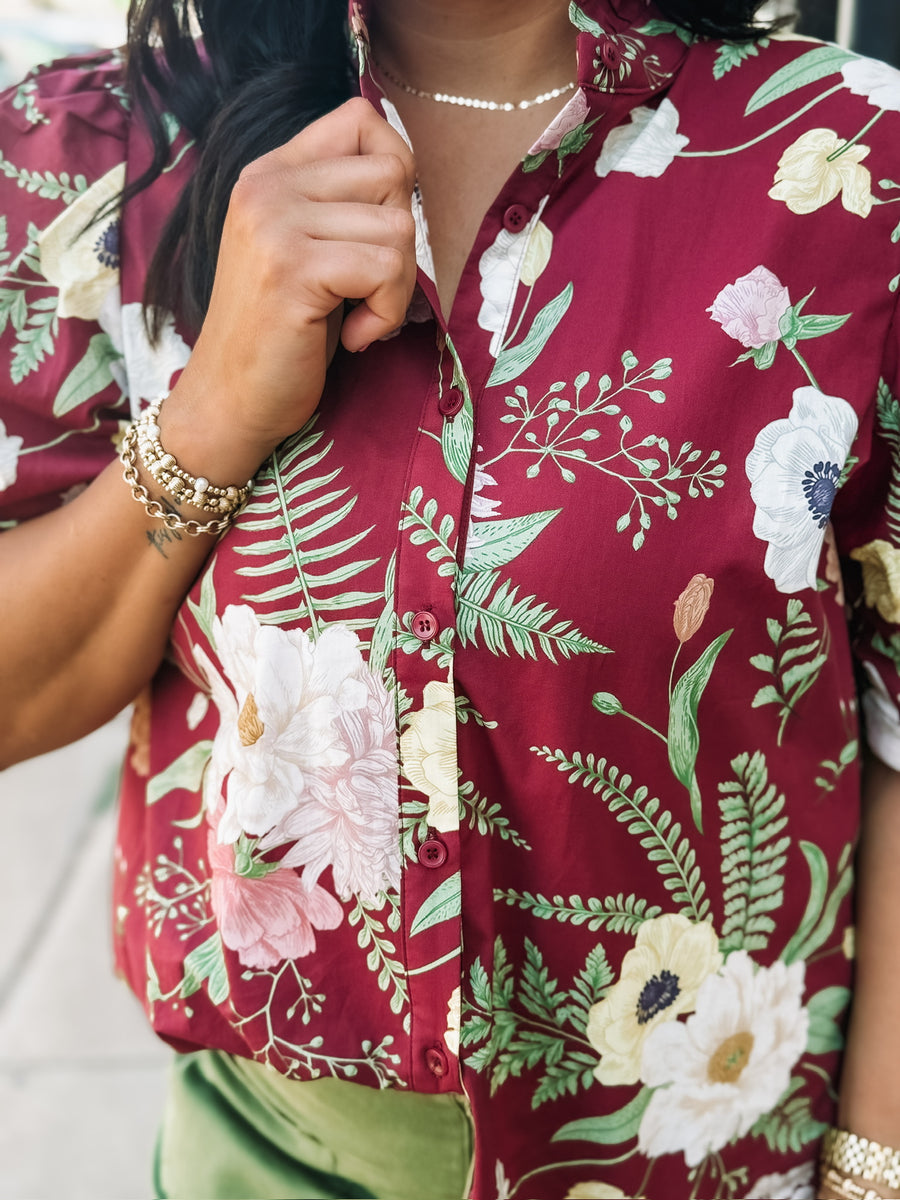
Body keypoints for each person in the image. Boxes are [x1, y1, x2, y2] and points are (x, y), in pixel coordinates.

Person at [2, 0, 900, 1196]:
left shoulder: (843, 166)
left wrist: (871, 1170)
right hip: (276, 1159)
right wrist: (211, 411)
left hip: (722, 1161)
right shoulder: (101, 162)